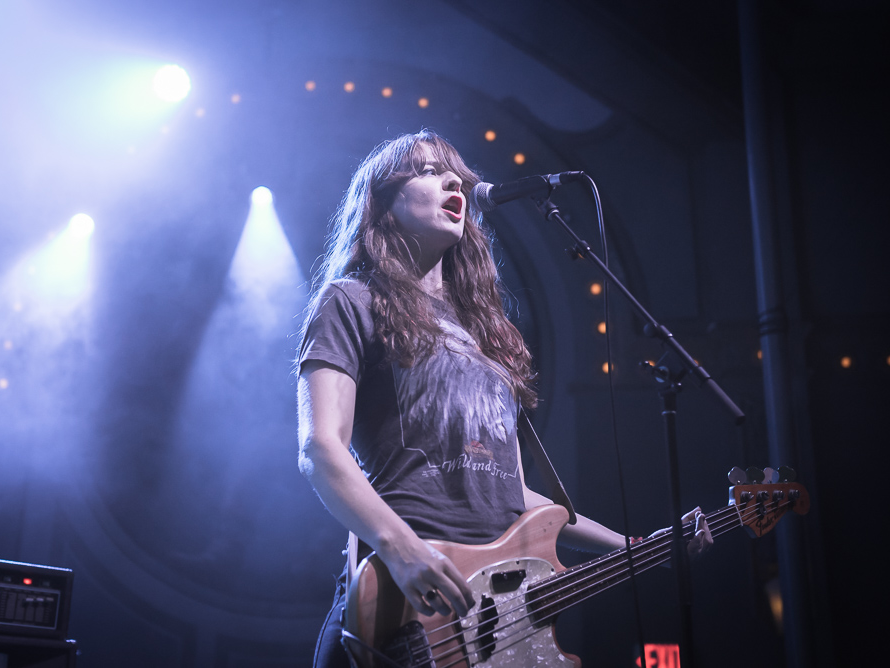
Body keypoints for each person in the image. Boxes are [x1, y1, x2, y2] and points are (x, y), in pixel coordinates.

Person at [296, 130, 712, 668]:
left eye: (459, 176)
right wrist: (401, 549)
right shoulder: (351, 301)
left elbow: (510, 493)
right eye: (427, 170)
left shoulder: (486, 339)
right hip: (404, 605)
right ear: (383, 203)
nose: (453, 181)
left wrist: (639, 547)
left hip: (493, 616)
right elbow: (321, 448)